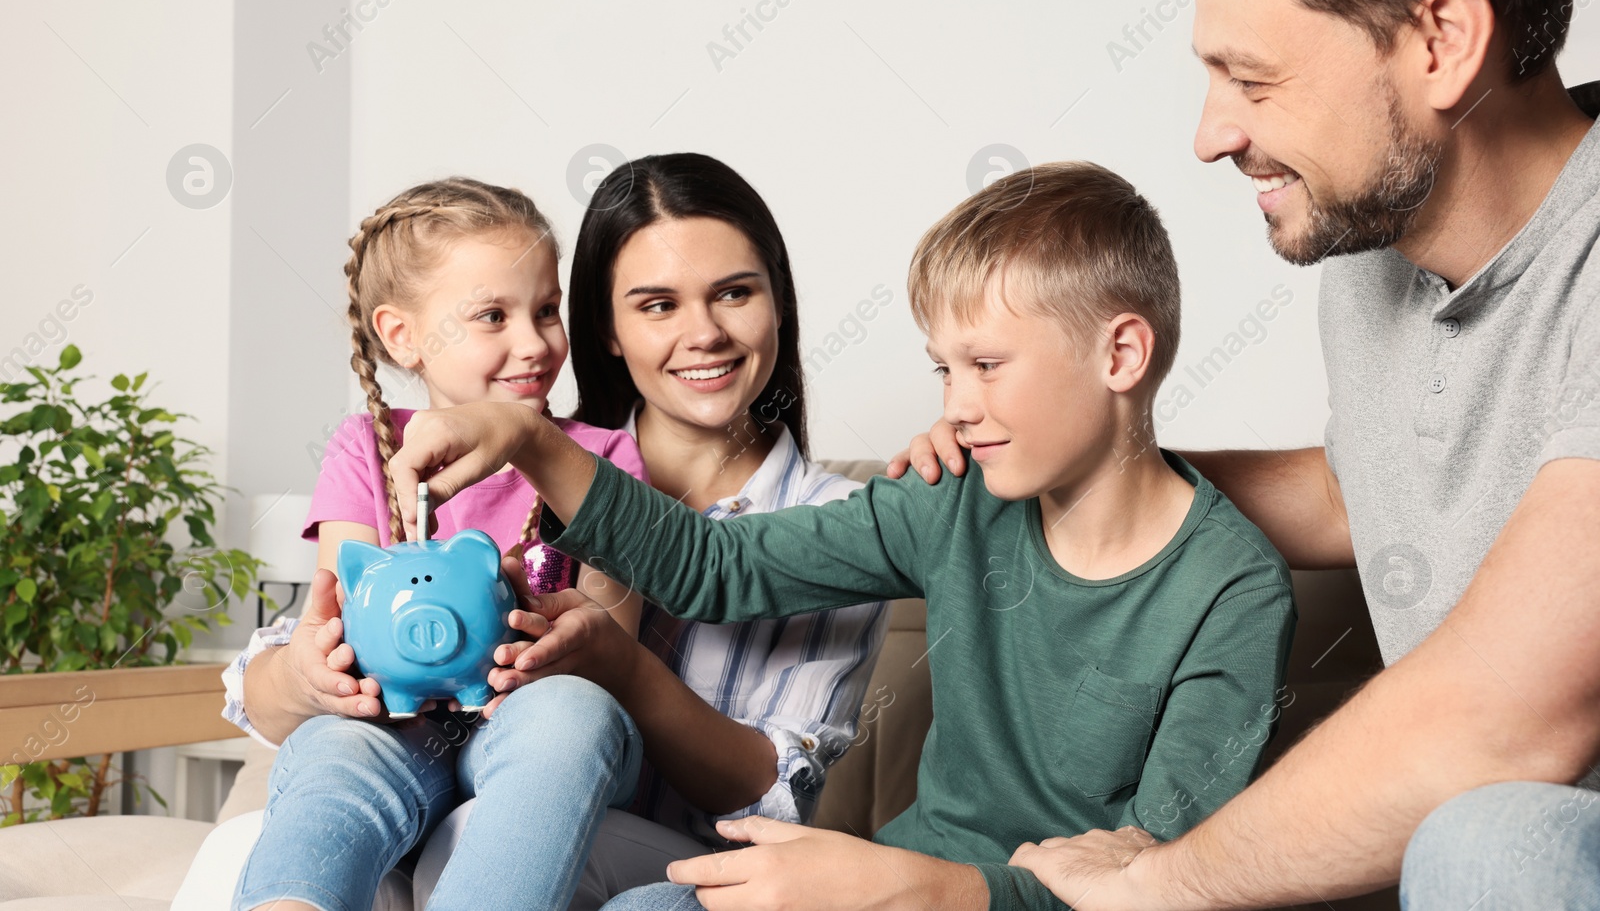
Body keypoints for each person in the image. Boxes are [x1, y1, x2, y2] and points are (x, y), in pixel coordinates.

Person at [895, 0, 1600, 908]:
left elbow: (1502, 719)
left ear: (1442, 40)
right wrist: (1085, 469)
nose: (1210, 133)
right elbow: (1358, 486)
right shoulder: (1372, 261)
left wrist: (1157, 881)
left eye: (1253, 78)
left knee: (1488, 840)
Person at [386, 161, 1299, 911]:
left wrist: (924, 884)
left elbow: (1166, 878)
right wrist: (529, 437)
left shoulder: (1233, 588)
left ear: (1121, 355)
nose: (957, 407)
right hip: (900, 878)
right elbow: (711, 566)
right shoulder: (955, 500)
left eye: (985, 366)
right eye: (945, 369)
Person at [183, 156, 888, 911]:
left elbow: (614, 652)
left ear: (779, 301)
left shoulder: (827, 521)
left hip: (609, 813)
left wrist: (534, 463)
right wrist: (308, 674)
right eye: (656, 304)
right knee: (308, 778)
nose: (703, 332)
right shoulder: (374, 448)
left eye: (736, 292)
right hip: (407, 756)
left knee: (559, 725)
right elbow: (324, 622)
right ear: (610, 329)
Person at [230, 177, 649, 911]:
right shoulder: (366, 448)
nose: (536, 342)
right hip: (397, 726)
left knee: (572, 715)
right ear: (401, 335)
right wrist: (323, 671)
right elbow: (338, 614)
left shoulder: (604, 458)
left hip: (539, 723)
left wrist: (552, 636)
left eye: (547, 310)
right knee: (334, 750)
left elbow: (616, 650)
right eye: (493, 315)